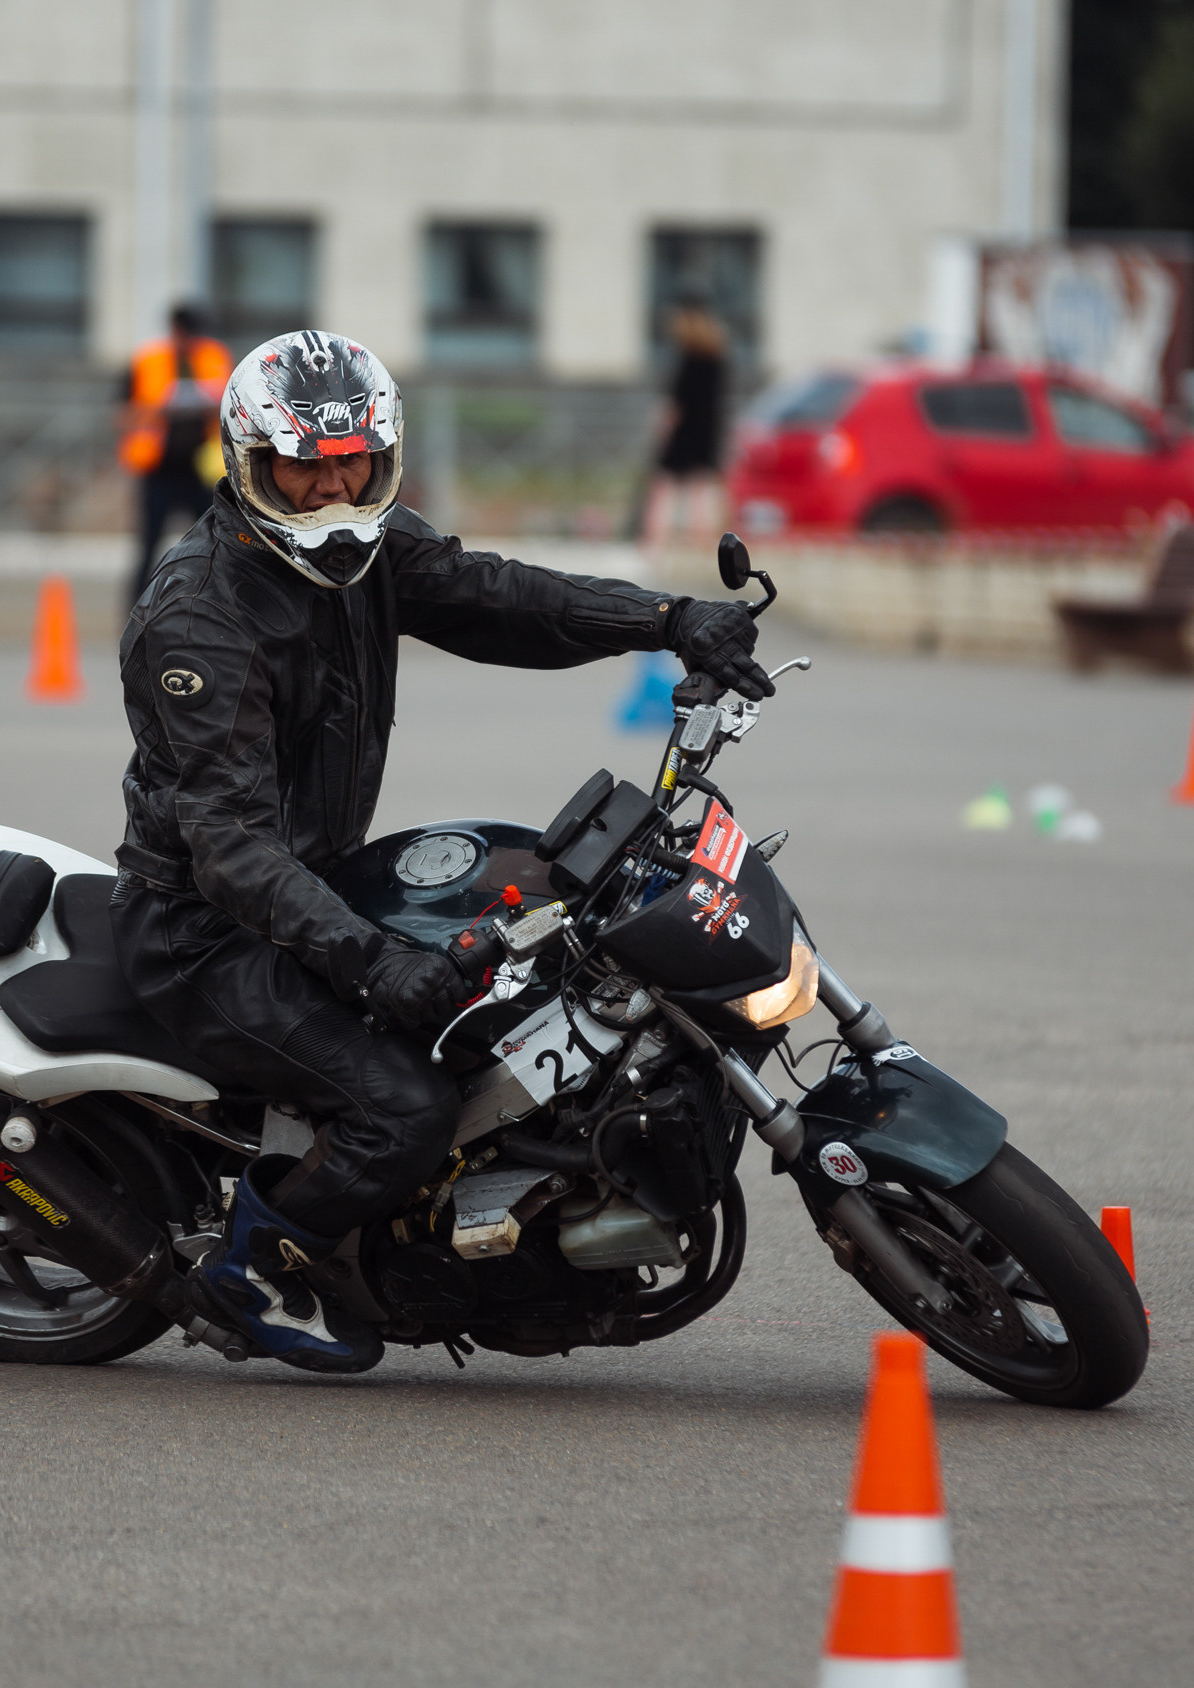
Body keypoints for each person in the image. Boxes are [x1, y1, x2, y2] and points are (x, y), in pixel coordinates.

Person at [112, 329, 774, 1375]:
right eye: (305, 468)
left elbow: (498, 594)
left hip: (314, 883)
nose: (334, 491)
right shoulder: (200, 618)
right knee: (405, 1106)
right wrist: (370, 961)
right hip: (205, 929)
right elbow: (230, 848)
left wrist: (668, 619)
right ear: (250, 464)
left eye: (354, 465)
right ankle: (255, 1272)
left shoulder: (366, 554)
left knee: (521, 984)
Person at [120, 304, 233, 607]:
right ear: (175, 331)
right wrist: (160, 409)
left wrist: (208, 403)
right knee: (148, 545)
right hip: (158, 469)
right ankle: (136, 610)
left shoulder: (216, 357)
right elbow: (123, 414)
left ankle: (214, 605)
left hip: (202, 471)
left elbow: (231, 406)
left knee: (215, 543)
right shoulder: (147, 361)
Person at [643, 298, 730, 547]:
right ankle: (702, 545)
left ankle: (651, 543)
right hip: (706, 433)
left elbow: (677, 403)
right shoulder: (716, 357)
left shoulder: (689, 358)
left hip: (683, 434)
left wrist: (663, 429)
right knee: (699, 492)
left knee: (662, 488)